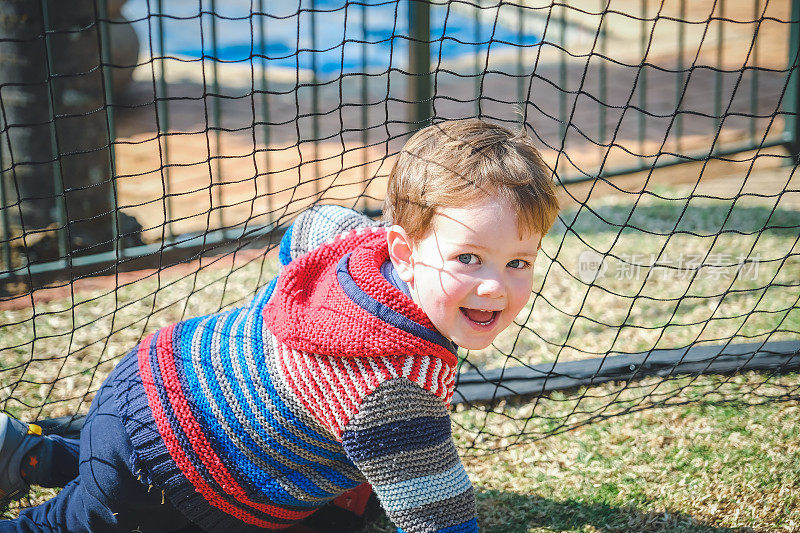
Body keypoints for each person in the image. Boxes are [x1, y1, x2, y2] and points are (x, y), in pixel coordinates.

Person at [0, 118, 560, 533]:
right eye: (468, 259)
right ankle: (29, 468)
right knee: (60, 525)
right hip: (169, 464)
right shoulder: (394, 390)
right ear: (404, 251)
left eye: (518, 262)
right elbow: (440, 515)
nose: (496, 286)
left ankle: (35, 455)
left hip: (153, 375)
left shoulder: (352, 242)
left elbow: (311, 225)